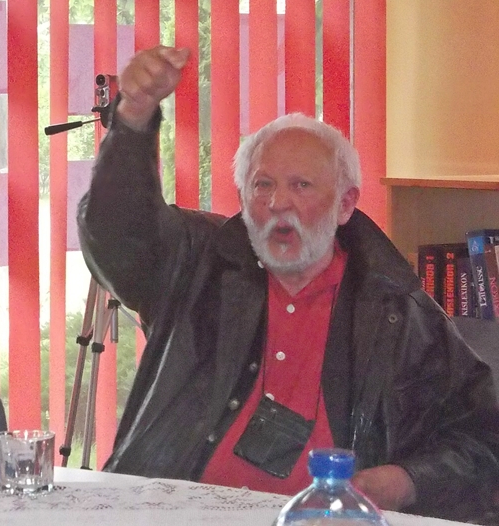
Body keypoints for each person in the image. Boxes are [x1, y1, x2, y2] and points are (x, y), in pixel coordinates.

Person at [77, 45, 499, 523]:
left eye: (301, 185)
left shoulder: (399, 314)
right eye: (263, 185)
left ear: (345, 204)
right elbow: (117, 233)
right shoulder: (195, 264)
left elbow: (484, 439)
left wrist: (403, 482)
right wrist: (132, 119)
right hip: (175, 513)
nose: (279, 203)